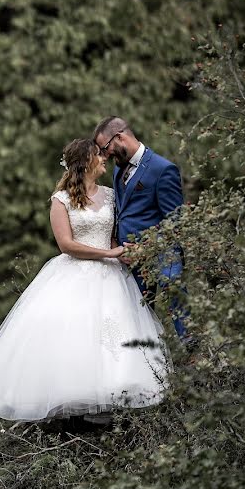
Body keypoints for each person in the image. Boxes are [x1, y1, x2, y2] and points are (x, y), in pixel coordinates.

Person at [0, 138, 169, 425]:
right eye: (98, 156)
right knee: (73, 335)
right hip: (75, 273)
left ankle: (107, 408)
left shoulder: (112, 195)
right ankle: (71, 411)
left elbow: (115, 234)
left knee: (112, 335)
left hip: (111, 275)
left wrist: (124, 252)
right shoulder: (61, 200)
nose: (105, 159)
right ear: (85, 161)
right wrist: (108, 253)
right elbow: (66, 245)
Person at [92, 116, 189, 342]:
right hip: (127, 261)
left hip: (160, 255)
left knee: (174, 295)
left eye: (105, 148)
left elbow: (176, 223)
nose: (105, 156)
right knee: (137, 320)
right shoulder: (118, 170)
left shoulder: (163, 169)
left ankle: (194, 351)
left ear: (120, 137)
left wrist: (145, 249)